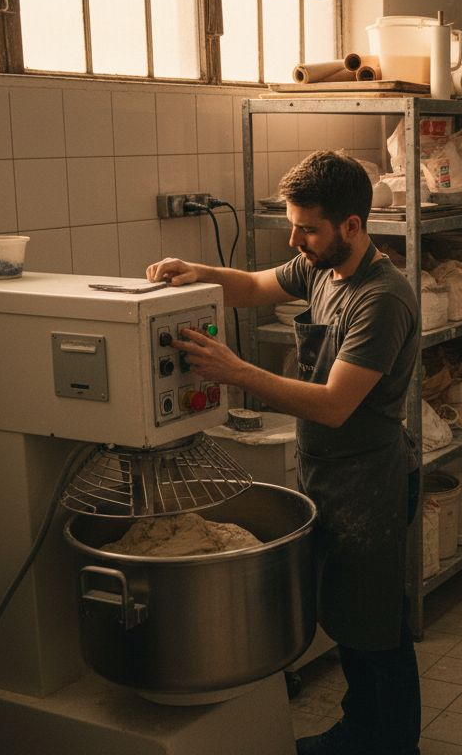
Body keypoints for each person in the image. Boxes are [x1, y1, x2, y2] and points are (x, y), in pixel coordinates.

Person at [146, 150, 421, 755]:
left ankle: (391, 744)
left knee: (376, 628)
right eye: (293, 225)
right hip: (330, 471)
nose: (296, 240)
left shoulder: (381, 298)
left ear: (353, 225)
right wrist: (193, 269)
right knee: (351, 620)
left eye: (308, 228)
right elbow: (251, 285)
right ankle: (362, 730)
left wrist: (233, 370)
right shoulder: (320, 266)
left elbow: (333, 405)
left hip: (370, 480)